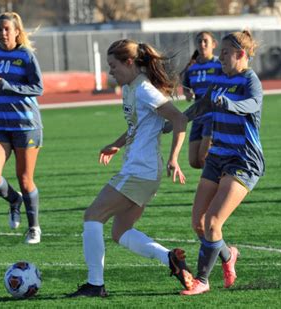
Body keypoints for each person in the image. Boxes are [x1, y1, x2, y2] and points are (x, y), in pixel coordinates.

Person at [66, 39, 192, 298]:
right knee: (120, 232)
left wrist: (175, 158)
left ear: (130, 62)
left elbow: (179, 118)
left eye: (113, 66)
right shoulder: (131, 88)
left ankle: (95, 284)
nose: (110, 71)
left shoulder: (144, 89)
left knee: (92, 215)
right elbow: (138, 125)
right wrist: (116, 144)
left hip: (140, 171)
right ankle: (170, 258)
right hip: (142, 171)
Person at [179, 30, 264, 295]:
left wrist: (227, 103)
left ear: (241, 55)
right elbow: (202, 106)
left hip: (243, 159)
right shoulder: (220, 78)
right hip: (217, 157)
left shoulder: (250, 80)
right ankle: (229, 256)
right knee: (199, 224)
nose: (221, 57)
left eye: (225, 53)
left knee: (214, 222)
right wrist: (175, 121)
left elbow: (252, 105)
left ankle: (202, 280)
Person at [0, 12, 43, 244]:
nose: (3, 33)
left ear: (17, 31)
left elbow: (38, 88)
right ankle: (14, 201)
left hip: (25, 125)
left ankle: (34, 227)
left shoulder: (25, 56)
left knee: (25, 179)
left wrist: (9, 86)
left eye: (7, 29)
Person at [181, 31, 222, 168]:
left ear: (214, 44)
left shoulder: (220, 65)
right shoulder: (192, 68)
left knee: (204, 158)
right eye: (199, 41)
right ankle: (220, 171)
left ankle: (216, 185)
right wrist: (187, 94)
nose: (202, 44)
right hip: (197, 116)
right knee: (194, 162)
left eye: (206, 41)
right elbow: (186, 87)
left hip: (213, 115)